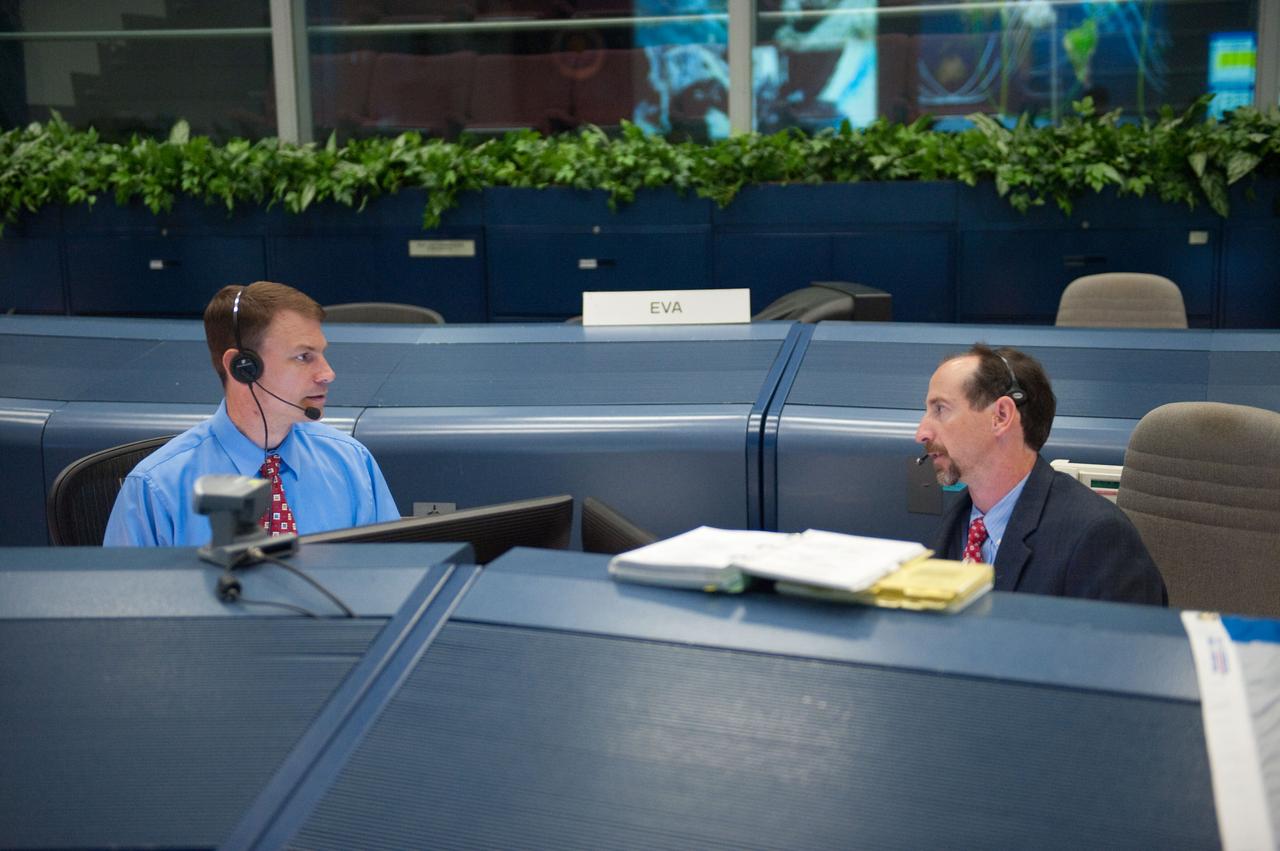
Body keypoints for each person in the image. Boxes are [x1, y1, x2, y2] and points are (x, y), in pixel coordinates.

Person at [104, 281, 400, 546]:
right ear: (243, 368)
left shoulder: (350, 462)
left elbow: (389, 578)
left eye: (322, 354)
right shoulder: (156, 487)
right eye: (303, 357)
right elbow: (124, 601)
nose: (327, 373)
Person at [915, 343, 1166, 605]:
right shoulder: (958, 521)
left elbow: (1126, 646)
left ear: (1001, 416)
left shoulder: (1098, 538)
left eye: (940, 409)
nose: (921, 432)